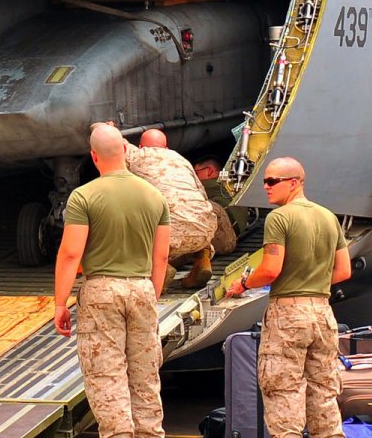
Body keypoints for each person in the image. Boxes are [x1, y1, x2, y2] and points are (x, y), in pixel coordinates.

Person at [53, 122, 171, 438]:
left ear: (94, 156)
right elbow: (161, 257)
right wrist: (151, 294)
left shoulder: (83, 197)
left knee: (107, 376)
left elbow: (70, 254)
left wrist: (61, 303)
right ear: (124, 151)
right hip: (142, 287)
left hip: (101, 291)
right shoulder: (154, 195)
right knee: (145, 377)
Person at [224, 156, 352, 438]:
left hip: (288, 315)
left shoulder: (279, 218)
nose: (266, 187)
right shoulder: (328, 217)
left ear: (294, 183)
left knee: (283, 392)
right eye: (265, 181)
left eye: (272, 181)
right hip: (322, 313)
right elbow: (344, 271)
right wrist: (312, 281)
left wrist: (243, 284)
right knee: (324, 393)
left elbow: (270, 270)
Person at [125, 129, 221, 290]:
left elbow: (112, 142)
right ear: (166, 147)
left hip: (169, 236)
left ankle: (162, 269)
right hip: (203, 231)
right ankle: (202, 261)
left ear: (141, 146)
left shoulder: (138, 155)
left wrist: (108, 127)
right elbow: (202, 194)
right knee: (194, 212)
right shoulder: (181, 160)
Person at [193, 158, 246, 253]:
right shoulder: (232, 187)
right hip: (234, 235)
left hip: (220, 236)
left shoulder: (203, 186)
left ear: (210, 171)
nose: (194, 178)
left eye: (196, 173)